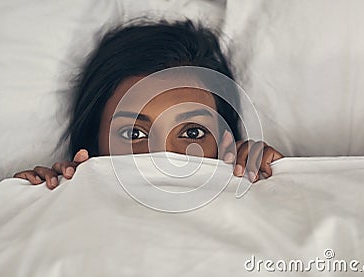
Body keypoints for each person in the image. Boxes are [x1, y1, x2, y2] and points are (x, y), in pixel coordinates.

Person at [14, 19, 283, 190]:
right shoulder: (61, 200)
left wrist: (281, 180)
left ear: (225, 142)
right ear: (94, 145)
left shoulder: (252, 187)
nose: (163, 156)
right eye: (133, 134)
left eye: (192, 133)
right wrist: (39, 200)